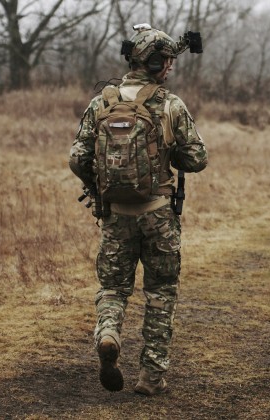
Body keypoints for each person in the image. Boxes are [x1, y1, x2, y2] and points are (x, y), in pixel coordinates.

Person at [68, 23, 208, 395]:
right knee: (161, 292)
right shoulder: (169, 104)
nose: (171, 68)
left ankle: (110, 332)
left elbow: (77, 157)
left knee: (113, 287)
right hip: (159, 214)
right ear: (159, 63)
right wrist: (169, 152)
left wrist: (97, 189)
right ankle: (151, 377)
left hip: (115, 215)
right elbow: (197, 159)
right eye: (169, 62)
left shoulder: (103, 102)